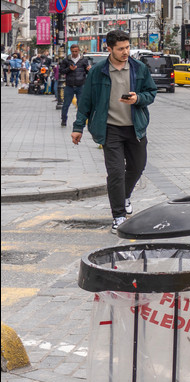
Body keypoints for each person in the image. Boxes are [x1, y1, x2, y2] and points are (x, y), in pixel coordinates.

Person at [71, 30, 157, 235]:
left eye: (127, 47)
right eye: (121, 49)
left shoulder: (139, 68)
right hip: (110, 129)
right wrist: (77, 127)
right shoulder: (98, 71)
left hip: (135, 128)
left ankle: (125, 196)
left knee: (137, 167)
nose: (126, 52)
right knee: (116, 172)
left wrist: (138, 99)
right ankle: (118, 216)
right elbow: (86, 101)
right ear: (109, 49)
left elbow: (151, 93)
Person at [59, 43, 92, 127]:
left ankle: (79, 121)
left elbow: (88, 71)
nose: (74, 53)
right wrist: (69, 69)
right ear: (71, 51)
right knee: (66, 104)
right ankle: (63, 120)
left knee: (80, 104)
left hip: (80, 85)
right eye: (73, 51)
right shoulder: (66, 60)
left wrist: (89, 69)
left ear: (79, 51)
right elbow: (61, 71)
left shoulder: (83, 60)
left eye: (76, 51)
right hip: (69, 85)